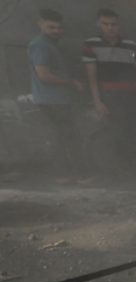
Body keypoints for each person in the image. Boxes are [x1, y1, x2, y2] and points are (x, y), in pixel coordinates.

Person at [82, 8, 136, 174]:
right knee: (116, 131)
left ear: (119, 25)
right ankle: (114, 171)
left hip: (133, 96)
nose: (110, 28)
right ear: (98, 24)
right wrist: (97, 101)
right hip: (109, 97)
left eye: (113, 24)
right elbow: (91, 76)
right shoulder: (91, 44)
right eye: (105, 24)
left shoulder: (132, 46)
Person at [28, 9, 85, 178]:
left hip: (56, 98)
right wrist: (72, 83)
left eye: (59, 27)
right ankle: (81, 175)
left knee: (61, 137)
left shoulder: (51, 44)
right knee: (70, 137)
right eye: (51, 27)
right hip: (52, 99)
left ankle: (63, 176)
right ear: (40, 24)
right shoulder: (40, 45)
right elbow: (43, 75)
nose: (56, 31)